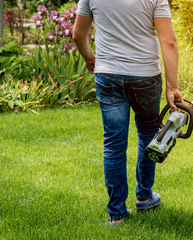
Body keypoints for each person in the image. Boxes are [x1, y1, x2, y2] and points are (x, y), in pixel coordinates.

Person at [73, 0, 183, 225]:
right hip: (145, 76)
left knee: (113, 144)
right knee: (148, 135)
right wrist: (172, 86)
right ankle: (144, 197)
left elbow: (77, 35)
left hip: (108, 75)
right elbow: (168, 41)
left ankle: (117, 214)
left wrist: (89, 58)